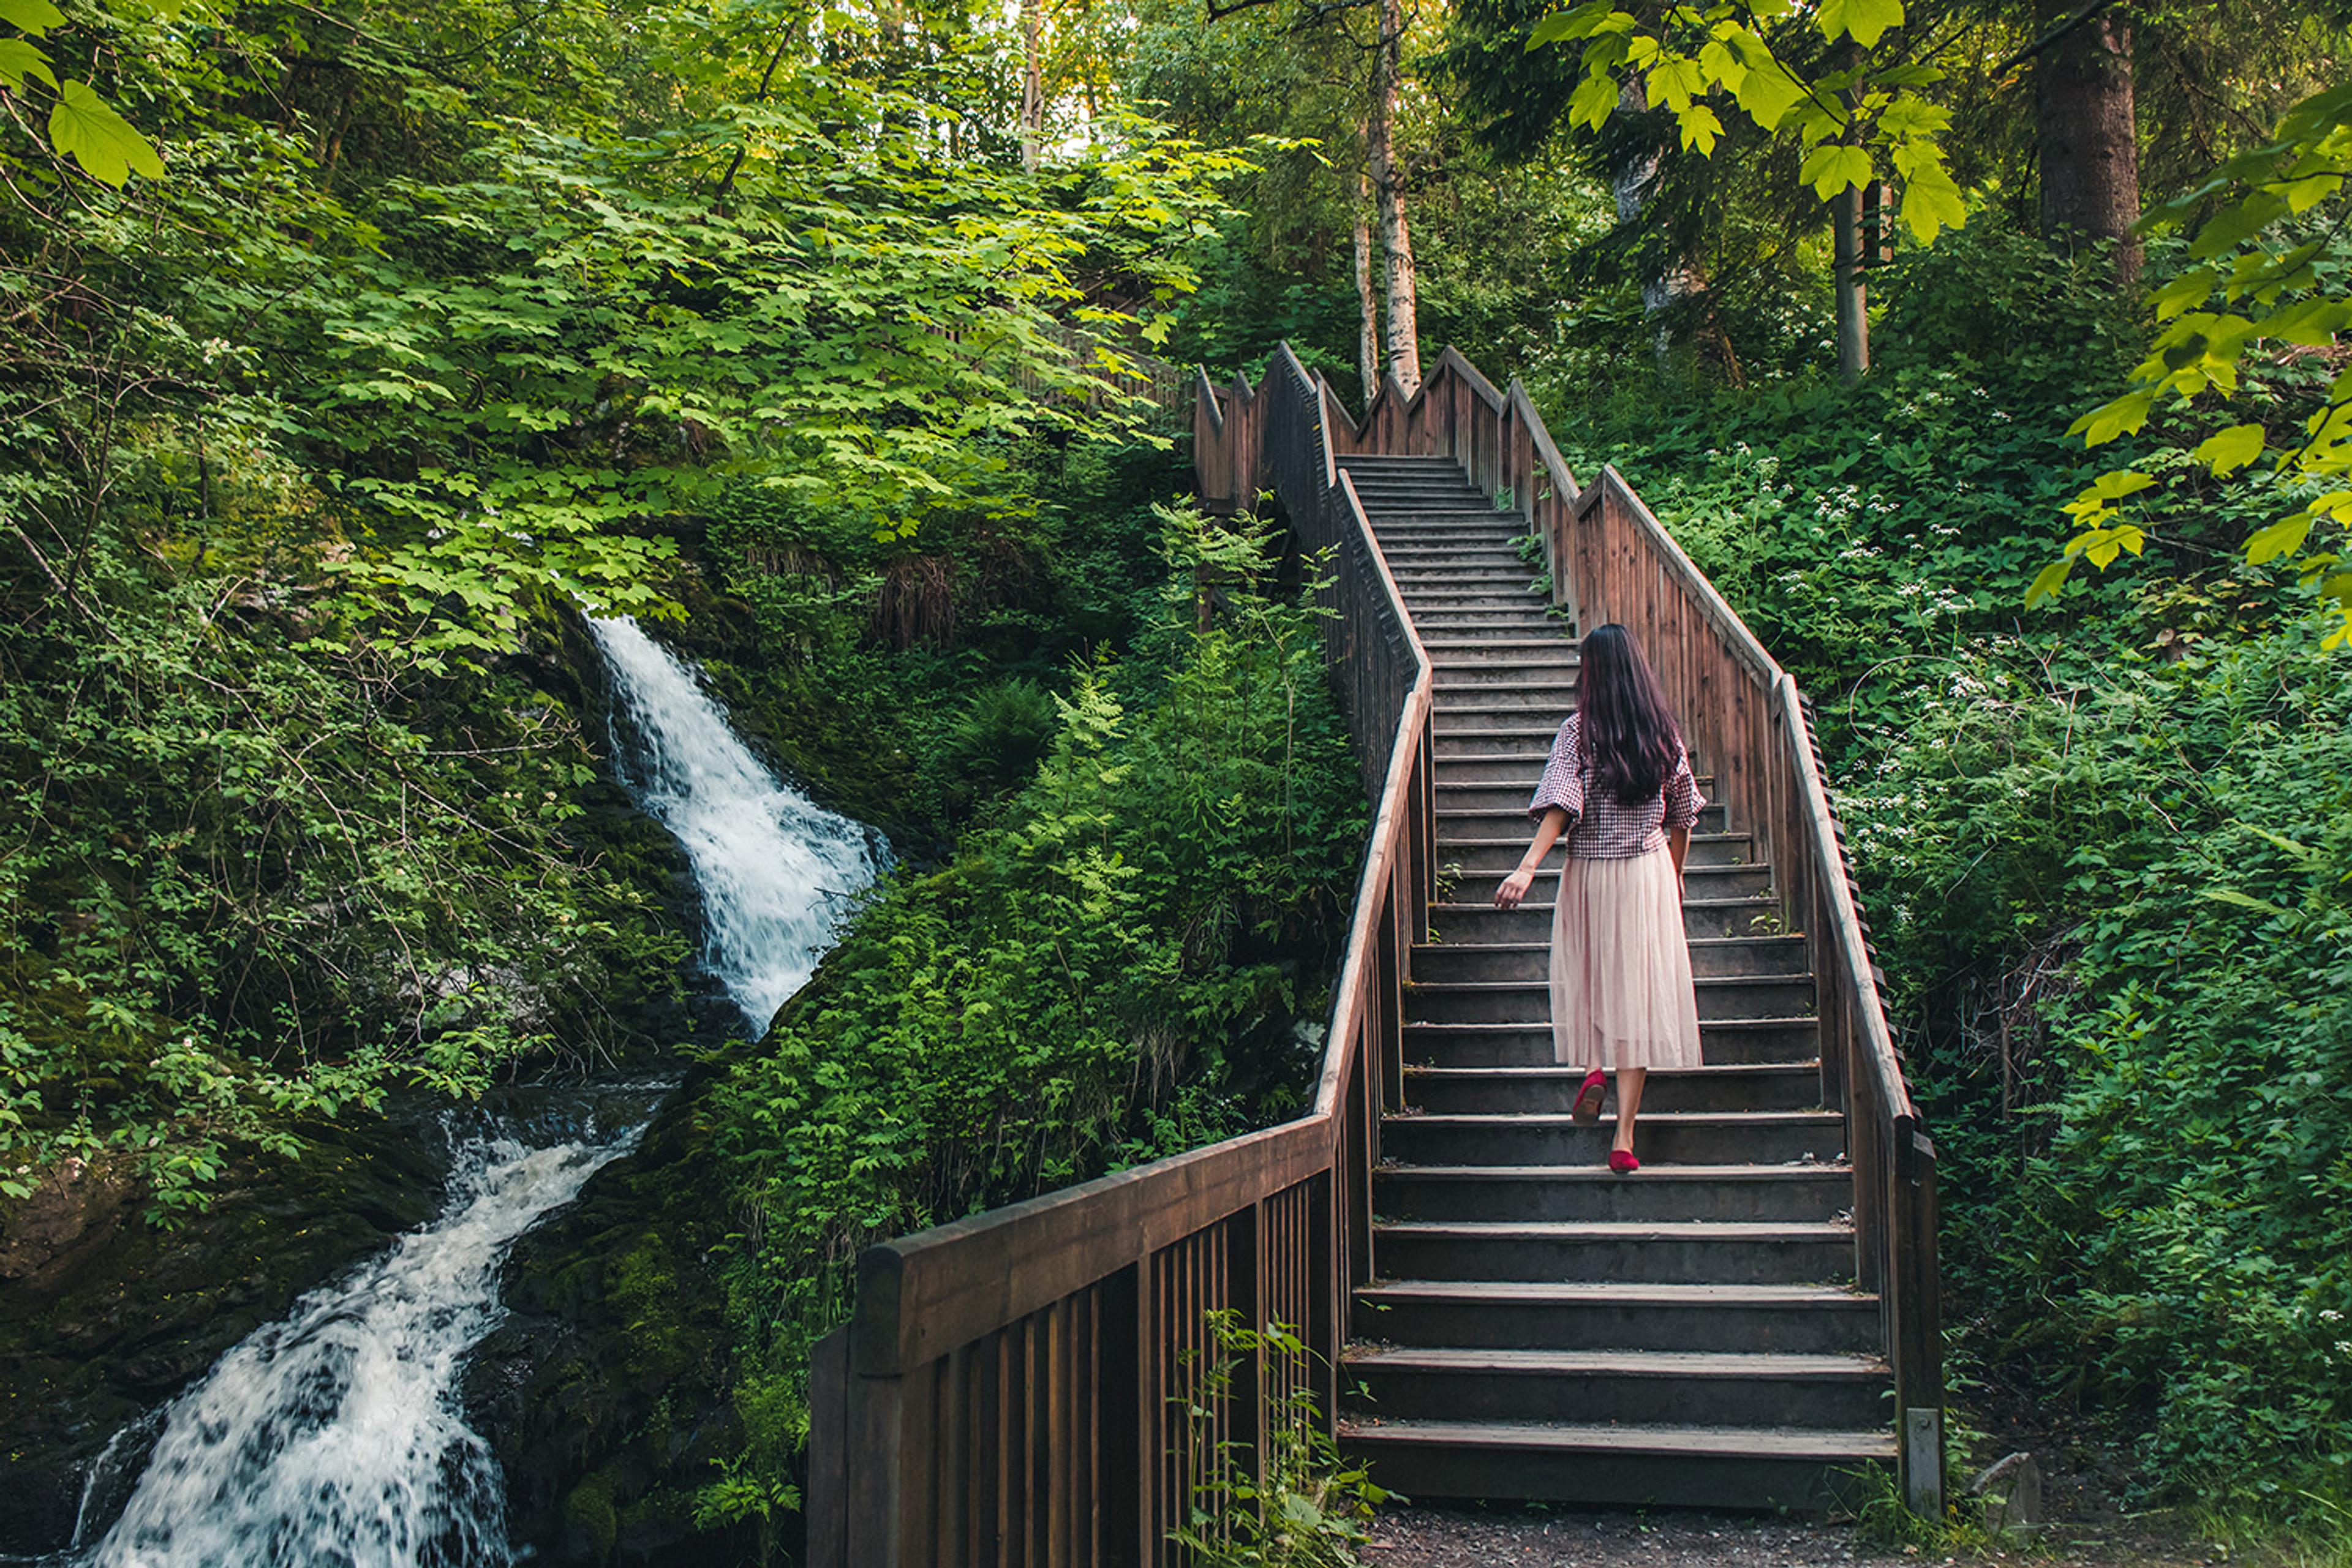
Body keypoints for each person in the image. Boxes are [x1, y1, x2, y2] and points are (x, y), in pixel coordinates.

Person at [1493, 623, 1705, 1174]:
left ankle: (1592, 1068)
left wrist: (1526, 868)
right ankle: (1625, 1140)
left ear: (1592, 672)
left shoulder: (1578, 732)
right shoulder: (1663, 733)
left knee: (1590, 978)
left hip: (1591, 870)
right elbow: (1683, 814)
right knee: (1639, 995)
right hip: (1647, 873)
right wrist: (1675, 878)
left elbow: (1562, 805)